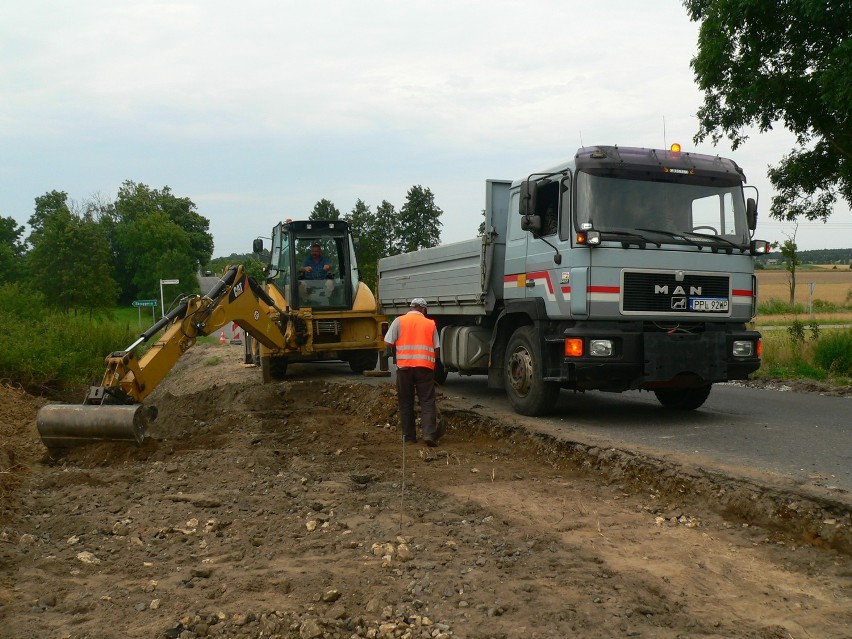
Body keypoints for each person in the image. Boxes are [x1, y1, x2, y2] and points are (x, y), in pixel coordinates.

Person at [384, 298, 441, 446]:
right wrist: (431, 365)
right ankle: (429, 434)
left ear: (411, 308)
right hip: (424, 368)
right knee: (427, 401)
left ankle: (409, 437)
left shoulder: (399, 321)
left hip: (404, 369)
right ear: (423, 309)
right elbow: (436, 349)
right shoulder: (430, 324)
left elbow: (388, 342)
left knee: (405, 402)